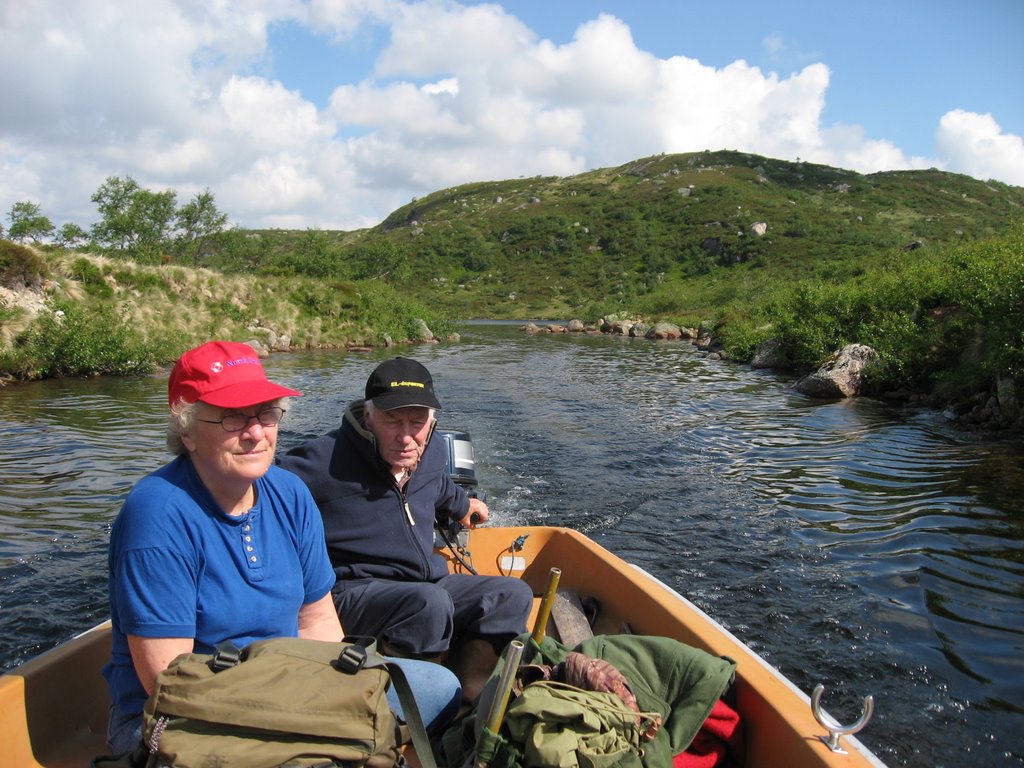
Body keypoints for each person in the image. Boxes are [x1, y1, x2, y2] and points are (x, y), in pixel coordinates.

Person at [102, 342, 460, 755]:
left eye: (266, 414)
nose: (255, 433)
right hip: (182, 717)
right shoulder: (159, 514)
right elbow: (167, 680)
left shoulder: (288, 492)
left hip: (288, 684)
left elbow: (317, 623)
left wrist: (333, 698)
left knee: (438, 689)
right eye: (232, 417)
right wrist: (303, 721)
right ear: (186, 429)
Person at [279, 357, 534, 707]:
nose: (405, 436)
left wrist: (464, 507)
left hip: (423, 582)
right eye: (391, 420)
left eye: (417, 422)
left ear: (431, 422)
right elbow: (257, 489)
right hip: (352, 591)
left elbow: (440, 486)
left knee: (511, 594)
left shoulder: (428, 454)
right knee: (428, 604)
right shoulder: (322, 461)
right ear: (367, 416)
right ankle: (411, 717)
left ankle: (465, 705)